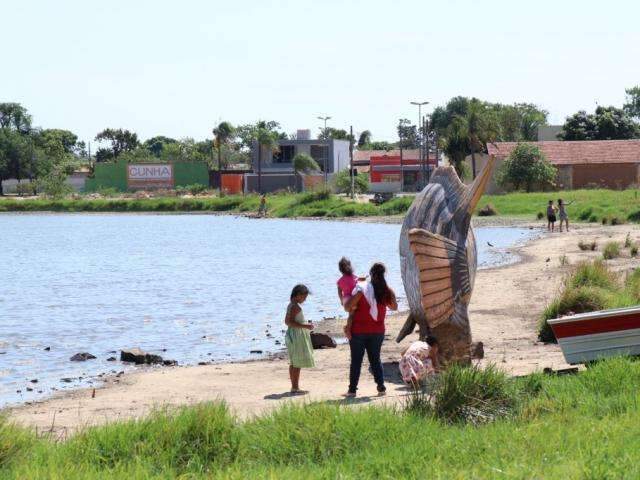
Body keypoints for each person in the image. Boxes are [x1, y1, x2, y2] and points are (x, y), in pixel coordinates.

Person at [344, 262, 398, 397]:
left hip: (359, 330)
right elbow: (394, 307)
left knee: (356, 360)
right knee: (375, 359)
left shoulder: (362, 289)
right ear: (383, 274)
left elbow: (347, 306)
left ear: (371, 274)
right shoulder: (386, 290)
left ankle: (352, 390)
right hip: (378, 330)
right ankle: (381, 387)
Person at [284, 284, 315, 394]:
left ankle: (294, 386)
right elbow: (288, 322)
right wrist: (306, 326)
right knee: (297, 363)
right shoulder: (295, 306)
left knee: (294, 362)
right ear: (298, 295)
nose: (305, 299)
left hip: (293, 335)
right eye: (304, 297)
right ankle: (295, 387)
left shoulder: (292, 305)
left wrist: (305, 325)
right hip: (296, 336)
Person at [336, 257, 366, 340]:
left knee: (351, 315)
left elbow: (339, 292)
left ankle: (349, 327)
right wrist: (364, 278)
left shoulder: (340, 280)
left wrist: (341, 300)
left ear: (340, 270)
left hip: (346, 299)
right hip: (353, 299)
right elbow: (360, 282)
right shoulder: (354, 277)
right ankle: (348, 329)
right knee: (352, 314)